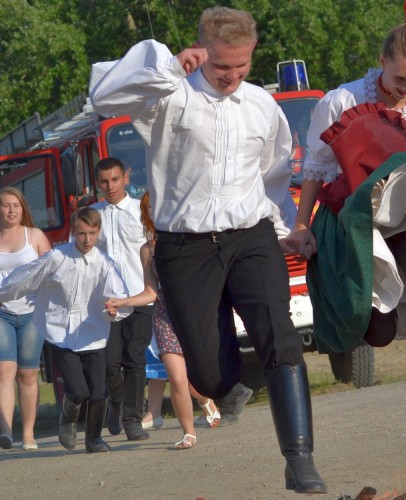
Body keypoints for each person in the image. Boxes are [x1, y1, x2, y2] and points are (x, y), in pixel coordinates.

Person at [90, 6, 326, 492]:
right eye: (222, 67)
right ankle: (224, 384)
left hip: (250, 236)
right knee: (213, 377)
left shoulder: (262, 105)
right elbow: (103, 95)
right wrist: (173, 68)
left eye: (241, 67)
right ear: (203, 50)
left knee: (279, 335)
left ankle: (300, 459)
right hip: (184, 248)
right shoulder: (167, 95)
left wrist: (287, 226)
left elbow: (275, 174)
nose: (232, 77)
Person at [285, 0, 406, 407]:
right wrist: (302, 225)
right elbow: (316, 170)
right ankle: (356, 330)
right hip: (353, 209)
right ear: (381, 61)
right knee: (379, 332)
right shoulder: (342, 100)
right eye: (400, 77)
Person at [0, 207, 131, 453]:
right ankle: (67, 420)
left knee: (99, 392)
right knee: (78, 390)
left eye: (92, 233)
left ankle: (93, 439)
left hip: (93, 334)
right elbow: (25, 277)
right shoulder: (57, 257)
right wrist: (3, 294)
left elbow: (119, 296)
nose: (87, 239)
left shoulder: (104, 263)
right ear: (73, 231)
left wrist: (116, 309)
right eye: (81, 233)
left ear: (98, 232)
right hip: (60, 333)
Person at [106, 193, 221, 449]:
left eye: (159, 207)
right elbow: (151, 292)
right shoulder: (147, 250)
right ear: (146, 214)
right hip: (164, 317)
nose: (155, 213)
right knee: (177, 378)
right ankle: (188, 433)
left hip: (194, 315)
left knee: (199, 372)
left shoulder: (190, 240)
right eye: (149, 209)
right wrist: (122, 301)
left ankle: (206, 401)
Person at [90, 157, 152, 441]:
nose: (110, 186)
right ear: (98, 183)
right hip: (106, 302)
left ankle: (132, 418)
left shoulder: (141, 210)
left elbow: (153, 249)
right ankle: (116, 401)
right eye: (104, 182)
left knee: (135, 359)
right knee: (110, 363)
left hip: (139, 296)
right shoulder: (91, 215)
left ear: (125, 178)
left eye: (115, 179)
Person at [0, 188, 51, 450]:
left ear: (23, 209)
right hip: (1, 312)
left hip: (32, 312)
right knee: (4, 370)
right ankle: (6, 431)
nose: (11, 210)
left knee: (28, 374)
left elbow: (52, 268)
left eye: (16, 206)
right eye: (6, 205)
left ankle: (28, 434)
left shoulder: (35, 236)